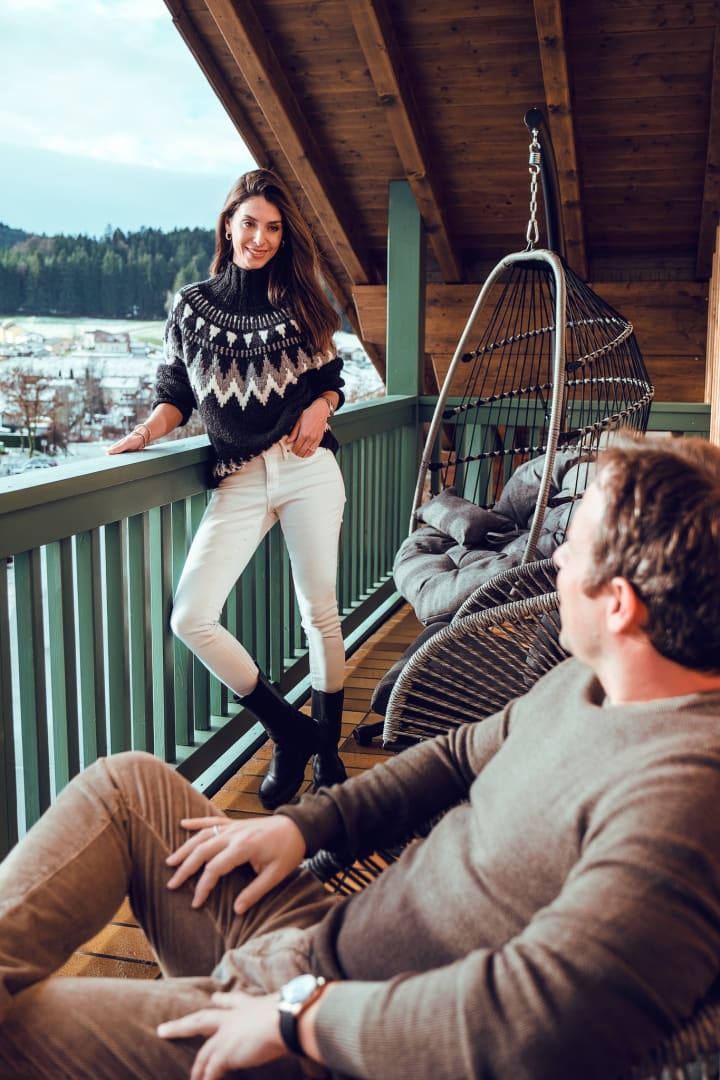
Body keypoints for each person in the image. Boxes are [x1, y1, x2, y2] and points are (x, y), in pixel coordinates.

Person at [2, 432, 720, 1080]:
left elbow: (535, 1027)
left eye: (575, 545)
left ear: (619, 604)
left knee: (22, 1030)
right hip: (318, 940)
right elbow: (454, 757)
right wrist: (305, 827)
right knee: (126, 788)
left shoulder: (680, 800)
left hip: (335, 1042)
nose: (556, 557)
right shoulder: (591, 683)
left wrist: (300, 1020)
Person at [107, 168, 348, 809]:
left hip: (306, 468)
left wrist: (321, 406)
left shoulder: (301, 303)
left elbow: (332, 379)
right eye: (249, 224)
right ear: (228, 224)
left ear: (284, 235)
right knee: (191, 616)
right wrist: (146, 432)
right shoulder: (192, 307)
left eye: (273, 228)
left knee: (319, 611)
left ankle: (327, 754)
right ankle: (290, 731)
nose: (259, 238)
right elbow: (177, 395)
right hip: (238, 478)